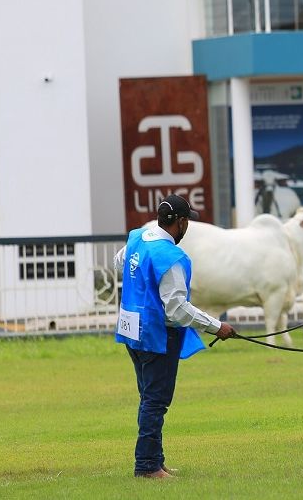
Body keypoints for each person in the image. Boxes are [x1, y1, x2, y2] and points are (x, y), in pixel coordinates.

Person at [114, 194, 236, 478]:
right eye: (186, 222)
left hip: (132, 329)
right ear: (180, 222)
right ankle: (147, 466)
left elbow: (119, 264)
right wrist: (217, 327)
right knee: (156, 401)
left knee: (148, 398)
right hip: (158, 335)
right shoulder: (171, 258)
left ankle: (155, 459)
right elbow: (178, 309)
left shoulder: (138, 238)